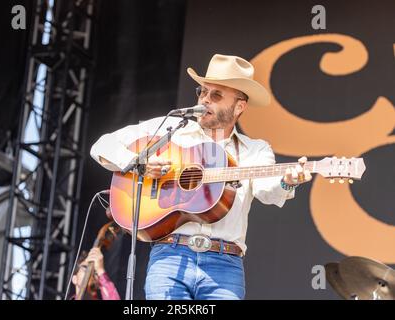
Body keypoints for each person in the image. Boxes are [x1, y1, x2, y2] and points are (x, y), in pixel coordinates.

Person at [90, 54, 312, 300]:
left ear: (239, 106)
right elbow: (103, 144)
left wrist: (287, 180)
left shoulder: (254, 150)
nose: (205, 99)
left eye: (216, 95)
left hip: (225, 265)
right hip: (169, 256)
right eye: (201, 91)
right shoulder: (171, 130)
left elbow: (267, 190)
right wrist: (139, 163)